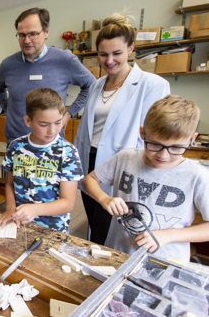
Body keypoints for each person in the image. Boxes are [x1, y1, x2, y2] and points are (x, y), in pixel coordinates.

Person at [74, 13, 170, 245]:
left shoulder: (152, 84)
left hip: (123, 165)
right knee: (94, 221)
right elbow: (88, 130)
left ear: (130, 49)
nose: (109, 60)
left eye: (116, 53)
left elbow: (153, 135)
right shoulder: (97, 85)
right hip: (91, 162)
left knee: (113, 229)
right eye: (103, 54)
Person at [82, 96, 209, 261]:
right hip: (118, 253)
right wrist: (105, 199)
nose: (163, 155)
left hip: (165, 261)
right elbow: (89, 180)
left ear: (192, 139)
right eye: (155, 145)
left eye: (176, 147)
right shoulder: (125, 158)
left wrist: (167, 236)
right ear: (142, 133)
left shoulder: (197, 175)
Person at [0, 7, 96, 145]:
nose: (27, 40)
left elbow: (92, 86)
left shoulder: (65, 59)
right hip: (16, 142)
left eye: (33, 34)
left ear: (46, 32)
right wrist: (9, 110)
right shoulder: (7, 64)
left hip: (51, 144)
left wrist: (68, 114)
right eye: (22, 35)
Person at [0, 88, 84, 232]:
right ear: (28, 121)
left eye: (58, 122)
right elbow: (10, 184)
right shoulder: (16, 146)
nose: (52, 130)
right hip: (19, 223)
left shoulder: (68, 152)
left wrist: (36, 209)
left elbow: (68, 202)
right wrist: (10, 210)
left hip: (53, 229)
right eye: (44, 124)